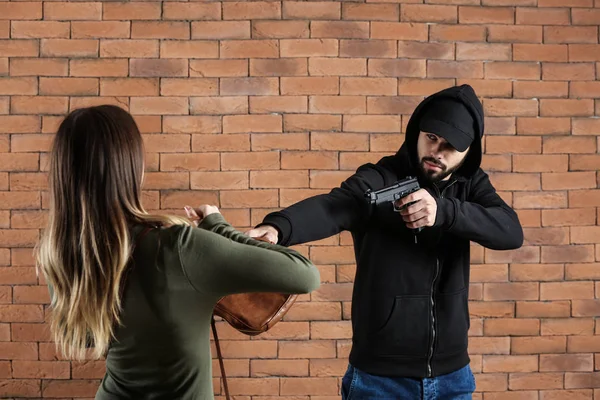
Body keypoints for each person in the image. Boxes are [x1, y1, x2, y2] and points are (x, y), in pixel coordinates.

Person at [246, 84, 524, 399]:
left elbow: (510, 231)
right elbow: (334, 206)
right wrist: (278, 228)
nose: (436, 152)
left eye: (450, 146)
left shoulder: (471, 186)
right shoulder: (380, 178)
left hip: (453, 378)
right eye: (431, 138)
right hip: (379, 380)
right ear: (418, 131)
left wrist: (445, 211)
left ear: (469, 151)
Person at [36, 105, 320, 399]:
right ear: (131, 167)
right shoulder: (177, 246)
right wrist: (217, 224)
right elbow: (304, 274)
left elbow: (83, 339)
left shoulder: (59, 253)